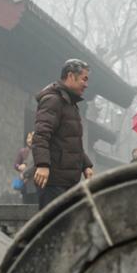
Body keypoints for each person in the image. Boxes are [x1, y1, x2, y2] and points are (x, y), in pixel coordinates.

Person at [32, 59, 95, 209]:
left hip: (68, 181)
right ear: (71, 76)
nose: (86, 85)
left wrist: (86, 165)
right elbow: (41, 135)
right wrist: (42, 165)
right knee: (53, 228)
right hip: (53, 181)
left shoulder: (69, 103)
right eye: (84, 79)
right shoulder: (53, 100)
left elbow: (71, 141)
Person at [13, 132, 37, 204]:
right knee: (25, 203)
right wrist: (19, 166)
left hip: (35, 183)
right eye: (28, 138)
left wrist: (25, 174)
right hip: (24, 184)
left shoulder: (39, 151)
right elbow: (15, 165)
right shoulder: (22, 151)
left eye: (32, 138)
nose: (30, 140)